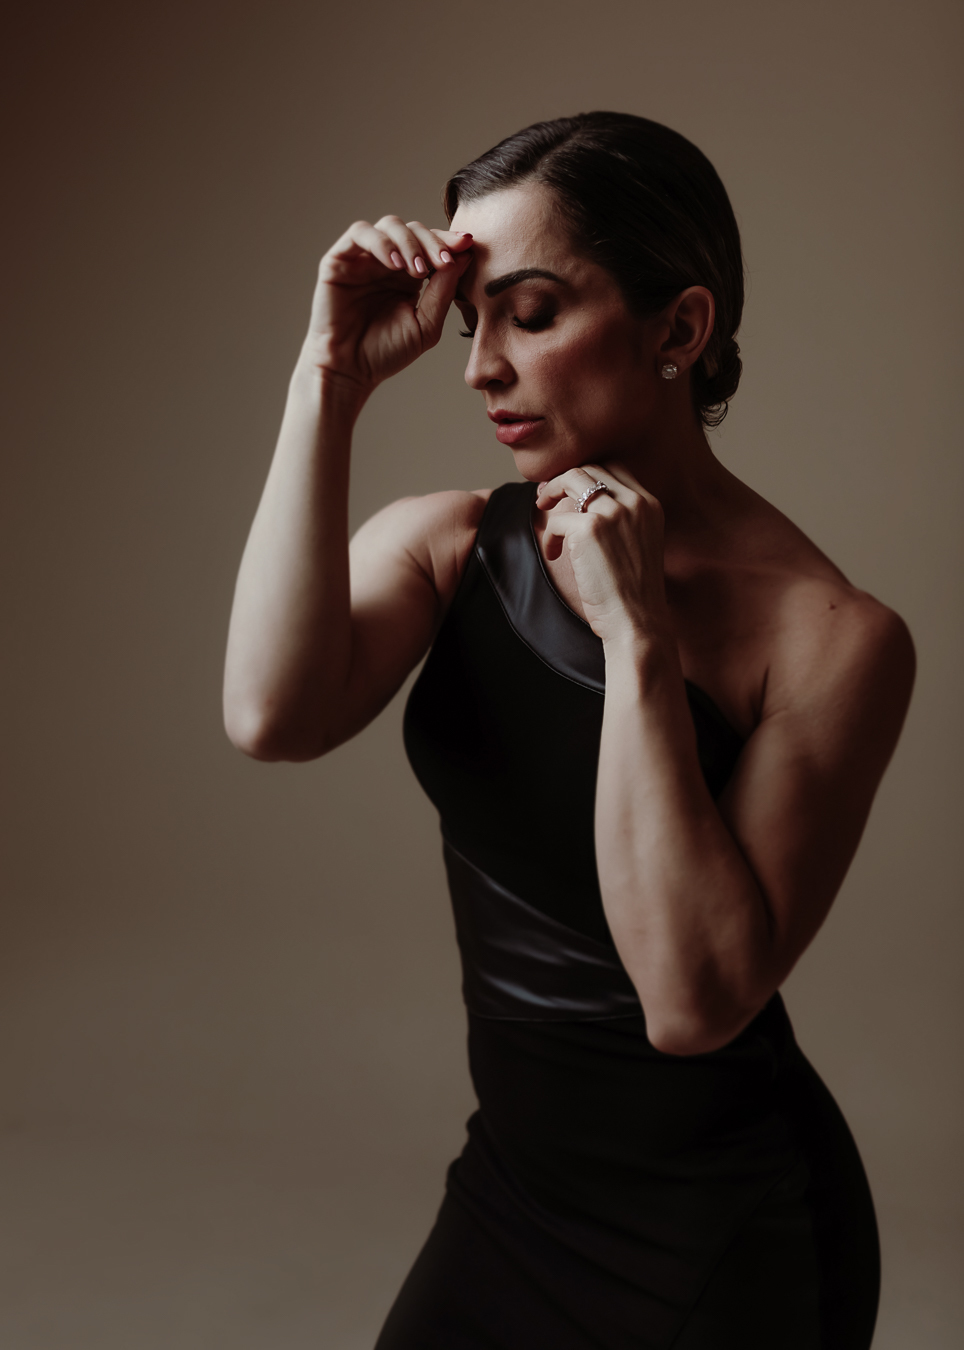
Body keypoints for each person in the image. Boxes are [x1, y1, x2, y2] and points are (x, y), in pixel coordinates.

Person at [223, 113, 914, 1349]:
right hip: (515, 1193)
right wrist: (326, 378)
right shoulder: (451, 545)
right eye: (470, 321)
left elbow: (691, 1003)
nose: (480, 367)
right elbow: (271, 716)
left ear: (679, 330)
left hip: (726, 1237)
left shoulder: (833, 640)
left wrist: (636, 636)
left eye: (530, 314)